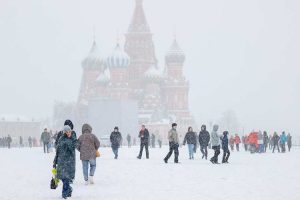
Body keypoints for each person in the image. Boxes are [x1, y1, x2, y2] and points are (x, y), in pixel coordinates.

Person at [53, 125, 77, 199]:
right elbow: (58, 151)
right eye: (66, 132)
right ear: (64, 132)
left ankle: (64, 195)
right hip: (61, 161)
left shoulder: (73, 139)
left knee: (66, 178)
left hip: (69, 162)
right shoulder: (61, 139)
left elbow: (73, 148)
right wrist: (55, 161)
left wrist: (69, 140)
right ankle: (69, 189)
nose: (68, 133)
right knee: (63, 178)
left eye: (69, 131)